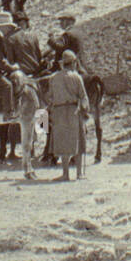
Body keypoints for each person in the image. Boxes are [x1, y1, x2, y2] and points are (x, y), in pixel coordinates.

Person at [45, 50, 89, 181]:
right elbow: (84, 97)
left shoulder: (53, 77)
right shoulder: (77, 77)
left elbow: (49, 97)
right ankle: (79, 174)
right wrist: (85, 111)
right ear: (74, 63)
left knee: (62, 141)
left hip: (58, 111)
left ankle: (65, 174)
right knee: (79, 140)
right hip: (73, 110)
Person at [7, 9, 42, 79]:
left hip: (21, 73)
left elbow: (11, 61)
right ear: (26, 23)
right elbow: (39, 55)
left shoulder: (11, 38)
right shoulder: (33, 35)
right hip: (35, 70)